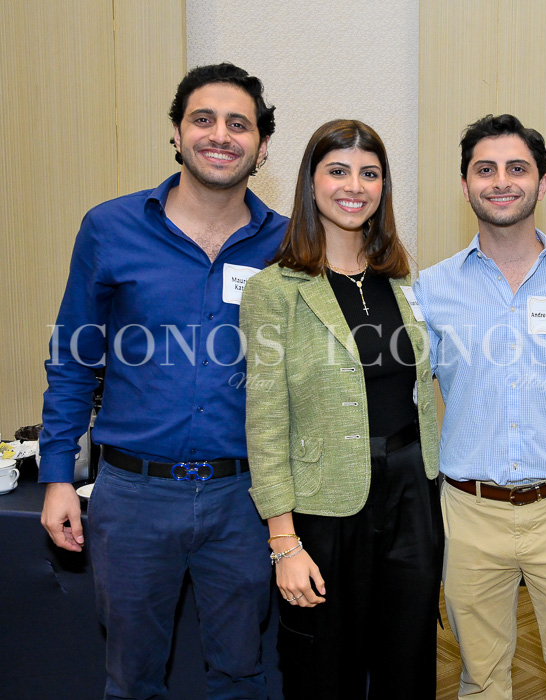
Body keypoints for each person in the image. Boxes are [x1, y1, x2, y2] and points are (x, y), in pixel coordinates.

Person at [38, 63, 288, 699]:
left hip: (245, 500)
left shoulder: (288, 245)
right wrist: (58, 476)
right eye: (203, 119)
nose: (220, 135)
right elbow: (73, 359)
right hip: (133, 498)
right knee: (132, 680)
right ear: (177, 133)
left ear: (262, 146)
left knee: (242, 674)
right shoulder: (110, 228)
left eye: (239, 124)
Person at [413, 114, 546, 700]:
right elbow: (411, 383)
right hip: (469, 512)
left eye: (517, 168)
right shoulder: (430, 289)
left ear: (542, 182)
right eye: (485, 169)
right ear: (465, 185)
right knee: (481, 681)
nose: (501, 181)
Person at [240, 119, 442, 700]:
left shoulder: (400, 279)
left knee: (409, 664)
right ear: (311, 183)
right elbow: (266, 423)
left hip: (412, 495)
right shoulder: (275, 289)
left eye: (369, 174)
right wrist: (284, 543)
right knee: (325, 671)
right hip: (324, 507)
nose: (355, 186)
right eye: (338, 171)